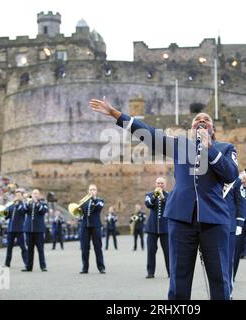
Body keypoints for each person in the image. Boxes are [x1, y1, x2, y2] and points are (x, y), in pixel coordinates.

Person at [90, 98, 238, 300]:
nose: (202, 121)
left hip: (213, 220)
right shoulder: (180, 144)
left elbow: (231, 175)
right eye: (197, 120)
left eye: (207, 120)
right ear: (191, 126)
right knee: (179, 280)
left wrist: (209, 147)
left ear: (214, 127)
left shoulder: (225, 148)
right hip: (180, 219)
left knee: (219, 278)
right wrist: (115, 113)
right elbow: (149, 134)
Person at [223, 172, 246, 298]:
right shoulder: (212, 178)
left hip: (230, 225)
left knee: (228, 260)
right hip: (213, 224)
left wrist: (239, 223)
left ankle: (228, 291)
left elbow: (240, 202)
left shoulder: (236, 181)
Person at [144, 177, 170, 279]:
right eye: (158, 183)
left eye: (161, 183)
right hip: (152, 228)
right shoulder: (149, 195)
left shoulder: (169, 195)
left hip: (165, 228)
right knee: (151, 250)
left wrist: (162, 196)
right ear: (155, 184)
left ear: (165, 184)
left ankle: (170, 272)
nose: (160, 185)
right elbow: (148, 204)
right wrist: (155, 195)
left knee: (168, 251)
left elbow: (169, 205)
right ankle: (150, 272)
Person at [79, 184, 105, 274]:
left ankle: (101, 267)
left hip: (96, 226)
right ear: (88, 191)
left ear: (96, 191)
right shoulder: (83, 201)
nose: (92, 191)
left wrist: (93, 199)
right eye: (90, 190)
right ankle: (85, 268)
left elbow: (98, 208)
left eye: (94, 189)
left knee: (98, 247)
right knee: (84, 247)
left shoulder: (100, 200)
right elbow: (80, 213)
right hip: (85, 226)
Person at [22, 189, 49, 272]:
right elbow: (23, 211)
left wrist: (36, 203)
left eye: (36, 193)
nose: (34, 195)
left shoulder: (43, 203)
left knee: (40, 249)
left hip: (39, 229)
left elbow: (43, 211)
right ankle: (28, 266)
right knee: (29, 249)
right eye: (33, 193)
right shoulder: (28, 203)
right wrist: (27, 203)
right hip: (29, 229)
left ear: (39, 195)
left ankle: (43, 266)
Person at [4, 189, 27, 267]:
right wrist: (4, 210)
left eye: (19, 195)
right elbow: (5, 216)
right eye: (16, 195)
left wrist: (17, 204)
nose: (17, 197)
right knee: (9, 247)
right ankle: (7, 263)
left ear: (21, 197)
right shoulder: (11, 206)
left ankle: (27, 263)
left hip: (20, 229)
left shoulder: (23, 205)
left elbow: (23, 211)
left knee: (23, 247)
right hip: (11, 229)